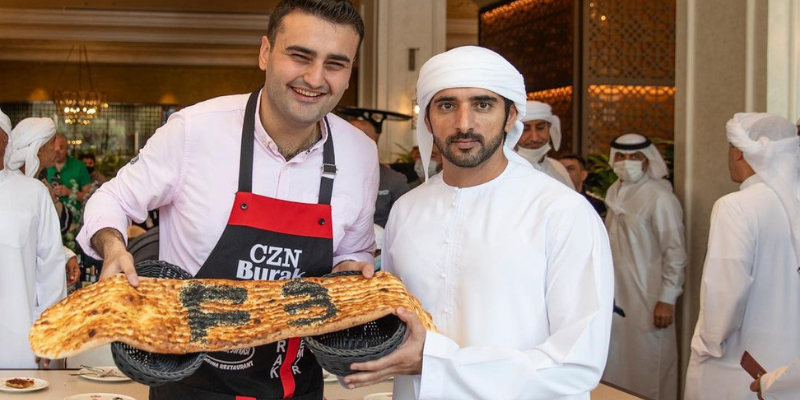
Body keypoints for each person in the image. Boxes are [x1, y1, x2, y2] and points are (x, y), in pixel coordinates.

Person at [76, 1, 377, 399]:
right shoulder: (194, 131)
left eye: (335, 64)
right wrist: (114, 247)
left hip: (295, 385)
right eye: (300, 56)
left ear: (350, 71)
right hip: (188, 385)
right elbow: (111, 198)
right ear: (265, 53)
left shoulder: (360, 153)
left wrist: (352, 270)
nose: (315, 78)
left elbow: (353, 252)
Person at [342, 46, 614, 400]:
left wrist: (438, 363)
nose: (464, 124)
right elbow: (397, 323)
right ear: (427, 120)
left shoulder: (561, 211)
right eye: (446, 105)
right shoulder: (407, 209)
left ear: (510, 115)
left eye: (483, 105)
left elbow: (576, 362)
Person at [684, 113, 800, 400]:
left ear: (738, 152)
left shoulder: (736, 206)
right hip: (788, 369)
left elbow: (726, 292)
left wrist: (707, 343)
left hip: (739, 366)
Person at [602, 133, 687, 400]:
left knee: (649, 366)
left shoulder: (660, 197)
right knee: (617, 364)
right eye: (621, 156)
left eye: (635, 156)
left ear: (648, 160)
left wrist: (667, 299)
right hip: (618, 298)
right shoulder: (614, 191)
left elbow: (675, 252)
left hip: (649, 298)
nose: (627, 162)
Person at [0, 108, 67, 368]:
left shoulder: (33, 193)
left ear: (5, 139)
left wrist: (48, 329)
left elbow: (51, 267)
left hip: (17, 344)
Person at [7, 117, 80, 287]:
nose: (57, 148)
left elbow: (46, 236)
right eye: (53, 141)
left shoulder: (41, 183)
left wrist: (67, 255)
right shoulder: (13, 188)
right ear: (39, 149)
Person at [350, 118, 410, 227]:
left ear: (372, 141)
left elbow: (405, 222)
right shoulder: (330, 176)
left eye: (352, 137)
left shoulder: (394, 180)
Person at [515, 100, 575, 189]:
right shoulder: (502, 170)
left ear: (549, 128)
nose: (534, 138)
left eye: (540, 128)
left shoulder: (558, 168)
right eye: (525, 129)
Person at [46, 133, 92, 217]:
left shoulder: (79, 166)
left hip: (74, 219)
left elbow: (89, 197)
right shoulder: (44, 166)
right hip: (49, 217)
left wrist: (69, 192)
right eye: (54, 147)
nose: (57, 151)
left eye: (61, 148)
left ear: (67, 149)